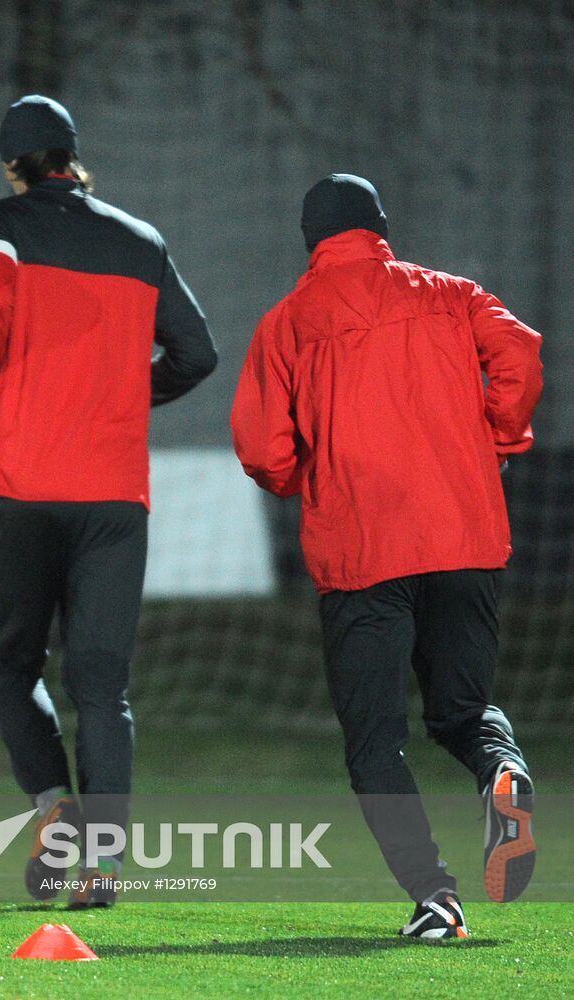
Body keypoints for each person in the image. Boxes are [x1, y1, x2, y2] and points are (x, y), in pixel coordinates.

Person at [231, 173, 542, 938]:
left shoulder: (288, 323)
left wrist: (316, 477)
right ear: (380, 225)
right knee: (462, 710)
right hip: (463, 538)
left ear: (310, 240)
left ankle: (436, 899)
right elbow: (521, 358)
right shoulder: (453, 293)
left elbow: (263, 448)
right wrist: (497, 438)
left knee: (375, 742)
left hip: (363, 551)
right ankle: (502, 772)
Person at [0, 95, 217, 909]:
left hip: (22, 483)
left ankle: (52, 809)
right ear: (73, 156)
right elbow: (198, 353)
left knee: (8, 668)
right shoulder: (141, 241)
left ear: (12, 163)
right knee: (104, 688)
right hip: (113, 494)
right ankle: (101, 863)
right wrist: (124, 393)